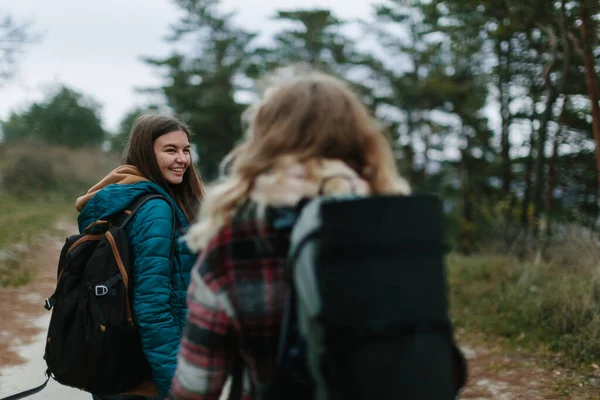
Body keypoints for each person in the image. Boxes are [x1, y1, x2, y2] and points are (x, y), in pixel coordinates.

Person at [169, 72, 410, 400]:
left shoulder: (236, 239)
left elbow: (196, 387)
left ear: (266, 138)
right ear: (359, 137)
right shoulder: (396, 226)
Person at [75, 114, 205, 399]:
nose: (182, 159)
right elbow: (152, 305)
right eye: (170, 150)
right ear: (146, 152)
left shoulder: (121, 198)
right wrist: (175, 382)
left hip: (113, 356)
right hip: (147, 370)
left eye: (186, 150)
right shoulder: (155, 209)